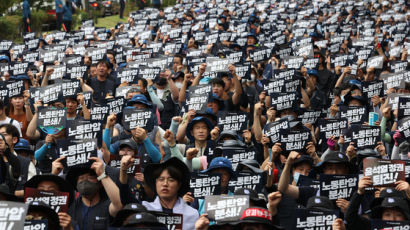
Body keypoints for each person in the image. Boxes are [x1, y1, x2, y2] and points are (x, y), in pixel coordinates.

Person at [142, 157, 199, 230]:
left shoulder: (192, 214)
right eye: (161, 179)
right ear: (155, 183)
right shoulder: (144, 209)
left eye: (171, 180)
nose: (165, 184)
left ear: (179, 185)